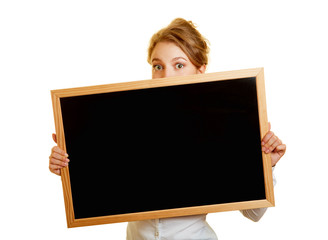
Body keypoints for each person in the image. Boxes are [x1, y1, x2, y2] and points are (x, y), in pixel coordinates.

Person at [49, 18, 286, 240]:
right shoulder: (125, 122)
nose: (166, 75)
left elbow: (254, 214)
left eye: (179, 65)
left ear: (200, 70)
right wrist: (71, 166)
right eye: (158, 66)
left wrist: (267, 163)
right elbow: (108, 187)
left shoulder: (225, 125)